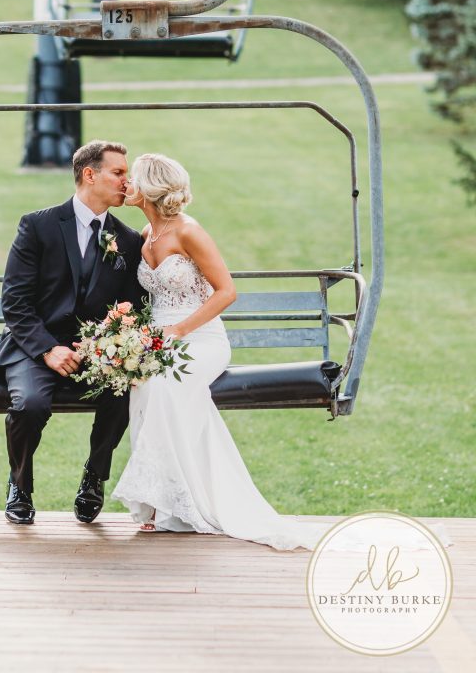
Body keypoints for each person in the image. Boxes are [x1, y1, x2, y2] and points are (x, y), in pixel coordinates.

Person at [112, 153, 454, 552]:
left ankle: (175, 500)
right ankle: (164, 503)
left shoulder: (189, 232)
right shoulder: (145, 233)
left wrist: (180, 330)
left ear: (151, 187)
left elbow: (227, 292)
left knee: (169, 384)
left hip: (201, 339)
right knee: (146, 385)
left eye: (132, 178)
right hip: (162, 339)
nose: (126, 185)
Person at [0, 140, 145, 526]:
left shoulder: (127, 240)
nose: (127, 181)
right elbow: (15, 302)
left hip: (97, 352)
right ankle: (19, 485)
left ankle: (94, 476)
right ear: (89, 174)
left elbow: (133, 307)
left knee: (123, 390)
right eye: (119, 172)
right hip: (34, 350)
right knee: (29, 404)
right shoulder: (38, 225)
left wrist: (111, 346)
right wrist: (47, 350)